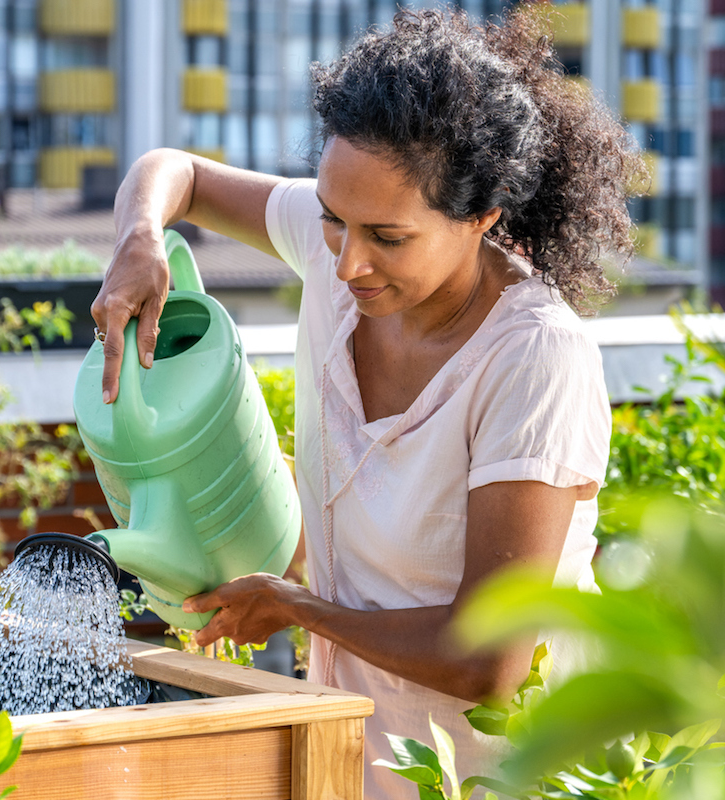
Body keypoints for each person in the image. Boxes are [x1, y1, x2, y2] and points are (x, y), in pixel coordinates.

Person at [91, 9, 639, 798]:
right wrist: (137, 239)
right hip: (347, 753)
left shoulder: (532, 358)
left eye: (386, 235)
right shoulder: (341, 253)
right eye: (331, 218)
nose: (347, 262)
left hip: (493, 774)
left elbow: (486, 658)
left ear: (482, 216)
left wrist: (297, 608)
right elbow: (176, 171)